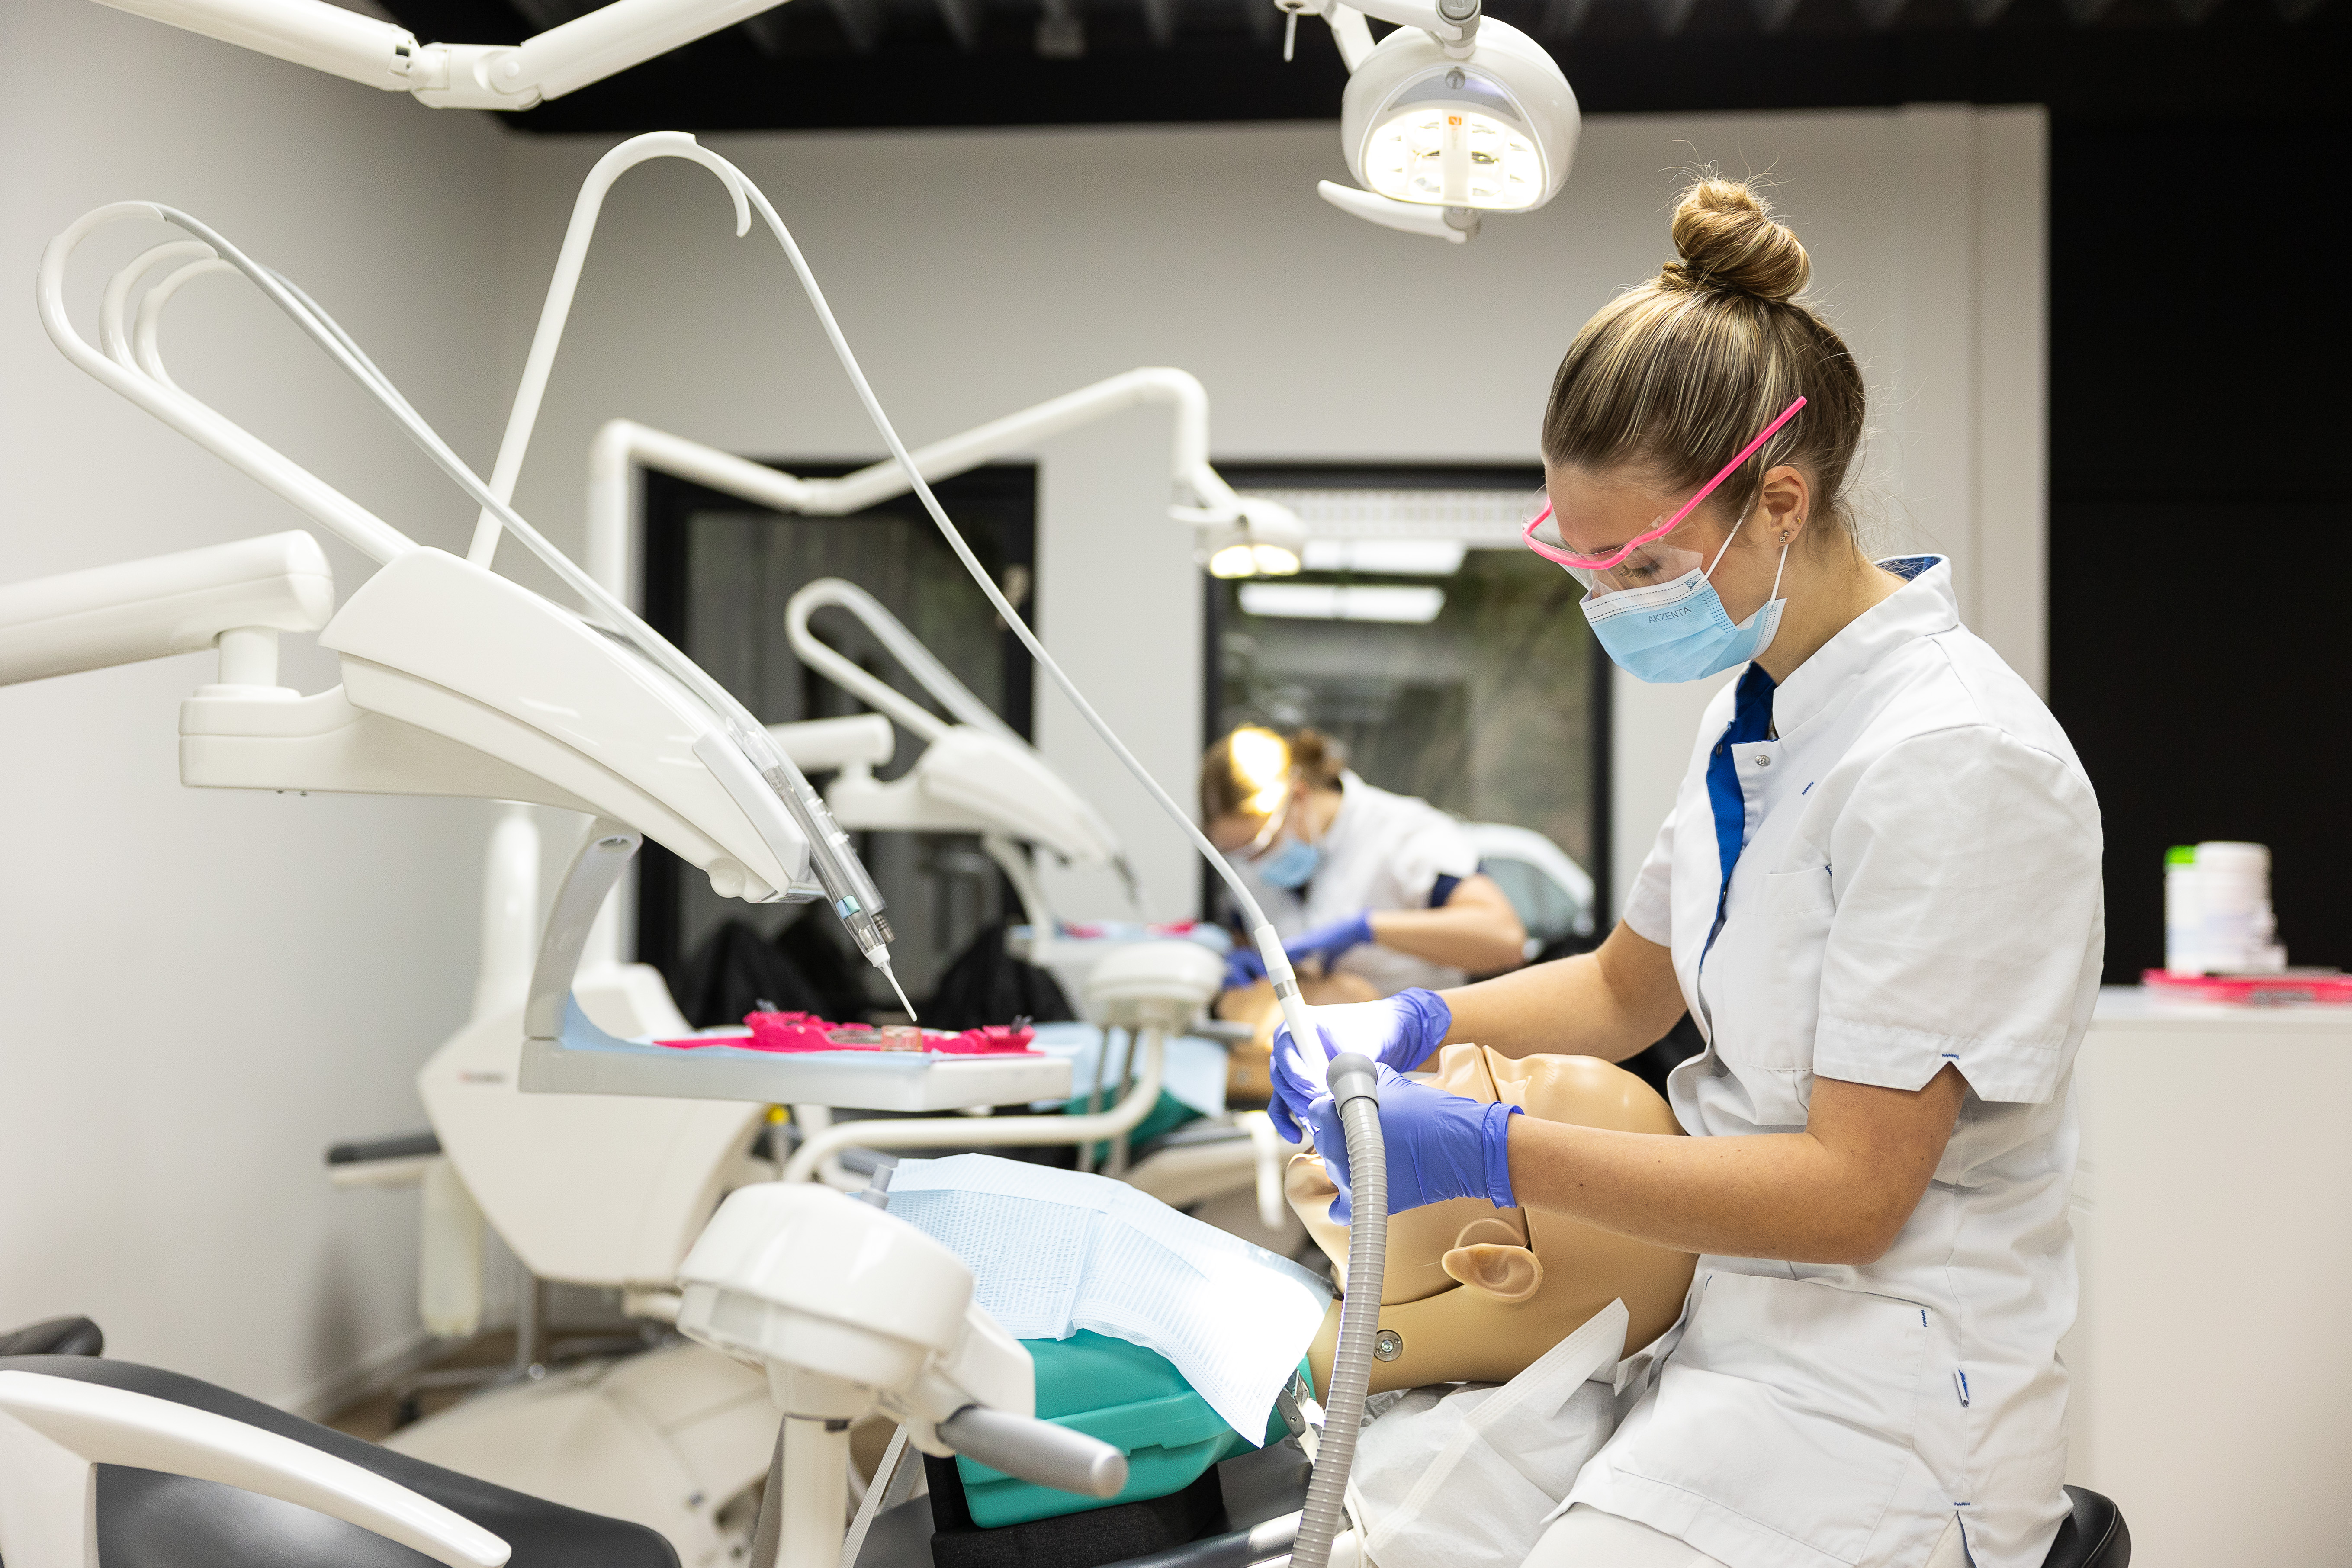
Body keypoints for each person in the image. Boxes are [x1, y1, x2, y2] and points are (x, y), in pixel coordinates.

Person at [1276, 177, 2102, 1568]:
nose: (1611, 600)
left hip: (1890, 1402)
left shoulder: (1954, 759)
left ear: (1779, 502)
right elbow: (1623, 988)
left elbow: (1852, 1194)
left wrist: (1489, 1147)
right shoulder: (1761, 714)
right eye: (1587, 563)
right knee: (1388, 1521)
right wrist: (1400, 1027)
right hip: (1723, 1334)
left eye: (1642, 560)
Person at [1200, 725, 1526, 996]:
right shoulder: (1250, 866)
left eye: (1260, 845)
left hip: (1425, 1047)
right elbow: (1244, 941)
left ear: (1298, 796)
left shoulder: (1405, 832)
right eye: (1237, 853)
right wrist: (1236, 962)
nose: (1254, 865)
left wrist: (1370, 929)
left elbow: (1504, 940)